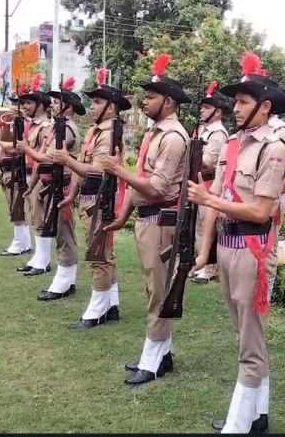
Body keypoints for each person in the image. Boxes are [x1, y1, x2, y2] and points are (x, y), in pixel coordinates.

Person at [189, 52, 285, 433]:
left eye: (244, 101)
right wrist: (203, 253)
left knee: (249, 338)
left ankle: (239, 423)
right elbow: (217, 193)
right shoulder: (233, 144)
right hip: (228, 248)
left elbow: (261, 211)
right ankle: (257, 415)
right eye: (235, 101)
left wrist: (209, 200)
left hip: (252, 248)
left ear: (264, 107)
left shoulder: (273, 148)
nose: (235, 107)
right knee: (244, 333)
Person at [98, 54, 189, 385]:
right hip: (148, 220)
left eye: (150, 96)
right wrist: (123, 216)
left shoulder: (174, 137)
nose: (144, 101)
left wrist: (117, 170)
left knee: (158, 293)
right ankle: (162, 355)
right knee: (154, 287)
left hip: (161, 222)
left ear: (168, 101)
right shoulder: (156, 134)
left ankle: (151, 361)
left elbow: (156, 187)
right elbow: (143, 179)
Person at [53, 69, 131, 330]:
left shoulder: (110, 134)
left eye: (98, 101)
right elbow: (81, 166)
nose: (92, 105)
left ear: (111, 108)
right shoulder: (95, 131)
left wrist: (67, 160)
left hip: (100, 199)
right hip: (88, 198)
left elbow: (98, 170)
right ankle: (111, 304)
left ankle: (97, 310)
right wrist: (72, 194)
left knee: (99, 254)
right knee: (103, 253)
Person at [37, 77, 86, 301]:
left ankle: (64, 282)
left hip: (64, 186)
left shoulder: (67, 128)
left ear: (68, 107)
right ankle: (66, 278)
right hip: (55, 184)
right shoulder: (58, 126)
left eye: (57, 102)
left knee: (65, 234)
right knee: (59, 232)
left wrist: (26, 149)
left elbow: (51, 156)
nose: (53, 105)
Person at [191, 80, 230, 284]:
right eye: (202, 106)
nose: (202, 110)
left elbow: (207, 164)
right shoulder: (202, 130)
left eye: (207, 107)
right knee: (198, 225)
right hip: (198, 182)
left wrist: (191, 157)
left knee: (209, 224)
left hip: (209, 182)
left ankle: (210, 266)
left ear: (217, 111)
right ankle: (201, 261)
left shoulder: (218, 133)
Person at [14, 75, 54, 276]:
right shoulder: (34, 125)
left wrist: (25, 149)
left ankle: (44, 260)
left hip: (40, 175)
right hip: (31, 174)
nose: (25, 106)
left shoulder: (46, 127)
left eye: (29, 102)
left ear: (41, 105)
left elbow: (42, 156)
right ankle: (38, 257)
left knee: (40, 217)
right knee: (34, 216)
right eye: (24, 102)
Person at [0, 99, 32, 256]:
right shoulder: (9, 125)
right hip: (8, 170)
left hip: (16, 170)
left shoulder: (24, 125)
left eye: (16, 106)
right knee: (15, 208)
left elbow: (18, 147)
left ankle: (19, 244)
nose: (12, 110)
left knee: (16, 209)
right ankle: (24, 243)